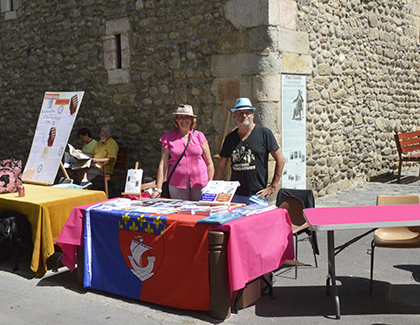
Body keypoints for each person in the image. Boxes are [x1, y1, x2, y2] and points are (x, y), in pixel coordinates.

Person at [214, 97, 286, 204]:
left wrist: (272, 187)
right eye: (240, 113)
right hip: (235, 195)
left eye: (247, 112)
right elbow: (221, 166)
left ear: (253, 115)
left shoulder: (264, 133)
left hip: (257, 196)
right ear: (234, 116)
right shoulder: (230, 138)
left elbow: (281, 160)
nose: (244, 116)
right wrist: (214, 188)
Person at [151, 104, 214, 201]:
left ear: (192, 120)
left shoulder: (199, 136)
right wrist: (158, 188)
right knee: (180, 213)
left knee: (200, 213)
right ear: (176, 119)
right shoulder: (168, 137)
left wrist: (211, 184)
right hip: (177, 184)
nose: (184, 120)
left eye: (187, 117)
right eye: (180, 117)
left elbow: (209, 162)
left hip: (201, 183)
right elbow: (163, 164)